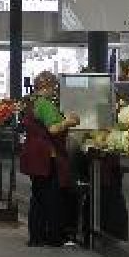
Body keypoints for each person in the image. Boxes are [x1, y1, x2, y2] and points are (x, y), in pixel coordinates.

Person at [19, 71, 80, 247]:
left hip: (33, 156)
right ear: (47, 87)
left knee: (38, 198)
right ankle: (55, 237)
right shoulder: (45, 104)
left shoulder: (31, 102)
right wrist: (69, 121)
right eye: (54, 88)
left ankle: (36, 237)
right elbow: (53, 129)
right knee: (53, 198)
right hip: (46, 156)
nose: (55, 91)